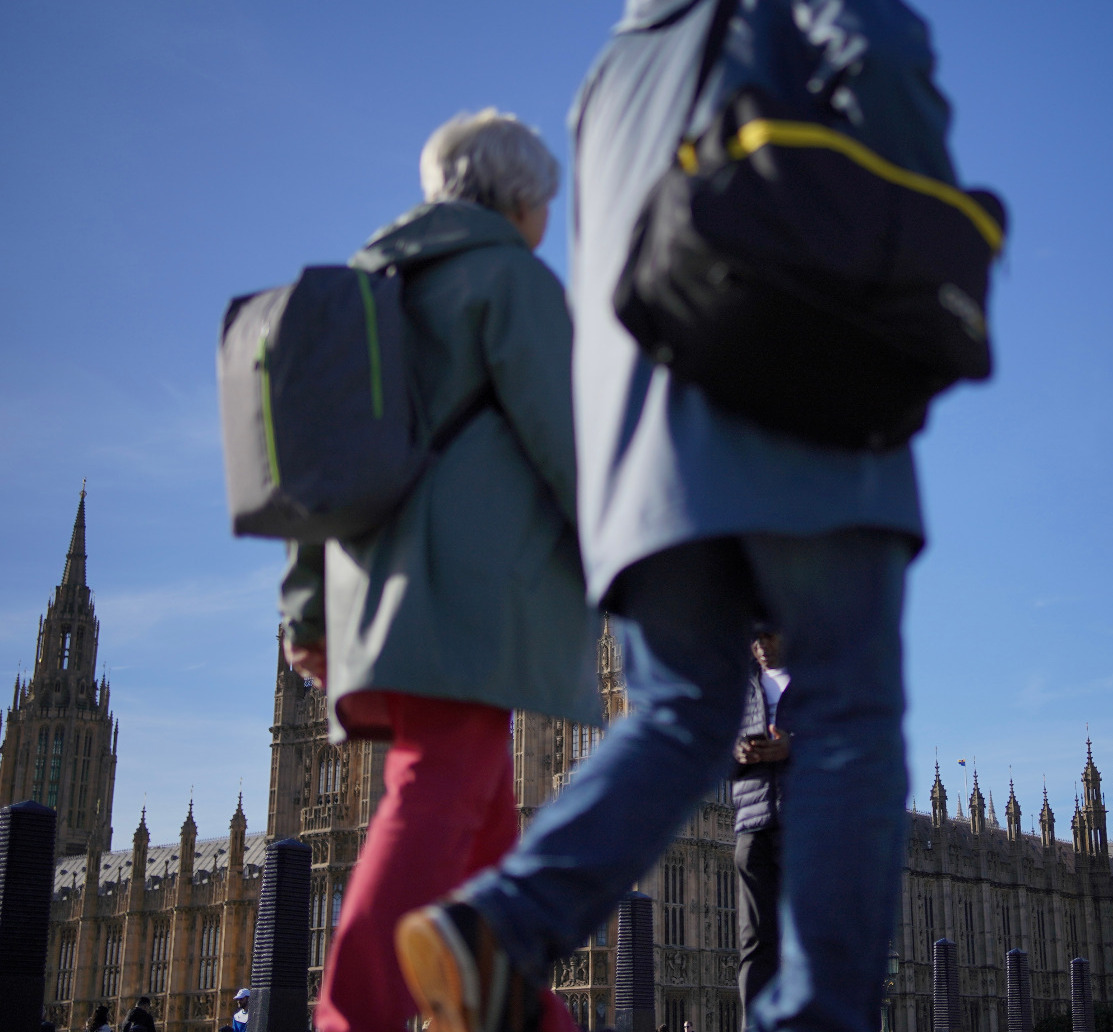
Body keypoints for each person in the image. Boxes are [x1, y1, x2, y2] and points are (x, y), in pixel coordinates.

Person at [393, 1, 959, 1030]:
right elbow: (888, 72)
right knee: (849, 713)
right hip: (795, 398)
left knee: (676, 713)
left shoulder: (613, 66)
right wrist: (917, 276)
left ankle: (501, 924)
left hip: (644, 462)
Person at [278, 109, 595, 1032]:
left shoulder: (362, 288)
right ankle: (352, 1018)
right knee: (434, 797)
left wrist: (306, 609)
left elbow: (313, 467)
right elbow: (574, 446)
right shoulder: (511, 281)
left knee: (488, 842)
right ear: (521, 199)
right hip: (470, 605)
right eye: (548, 203)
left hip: (373, 600)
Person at [732, 632, 790, 1021]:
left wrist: (793, 746)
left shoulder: (821, 672)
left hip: (803, 819)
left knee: (806, 938)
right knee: (753, 943)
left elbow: (853, 731)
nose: (761, 645)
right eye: (753, 637)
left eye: (769, 634)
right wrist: (736, 750)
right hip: (751, 822)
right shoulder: (739, 682)